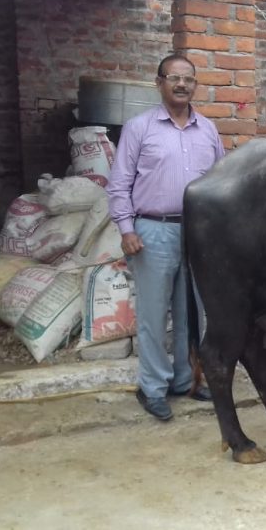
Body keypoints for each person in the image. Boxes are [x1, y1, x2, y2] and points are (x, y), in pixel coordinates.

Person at [107, 54, 226, 421]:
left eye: (188, 79)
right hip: (152, 231)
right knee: (154, 315)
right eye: (173, 78)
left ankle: (185, 380)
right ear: (159, 82)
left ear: (195, 85)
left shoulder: (207, 130)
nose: (181, 85)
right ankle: (153, 388)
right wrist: (127, 229)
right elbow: (118, 185)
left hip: (197, 234)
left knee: (193, 314)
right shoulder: (139, 128)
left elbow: (222, 183)